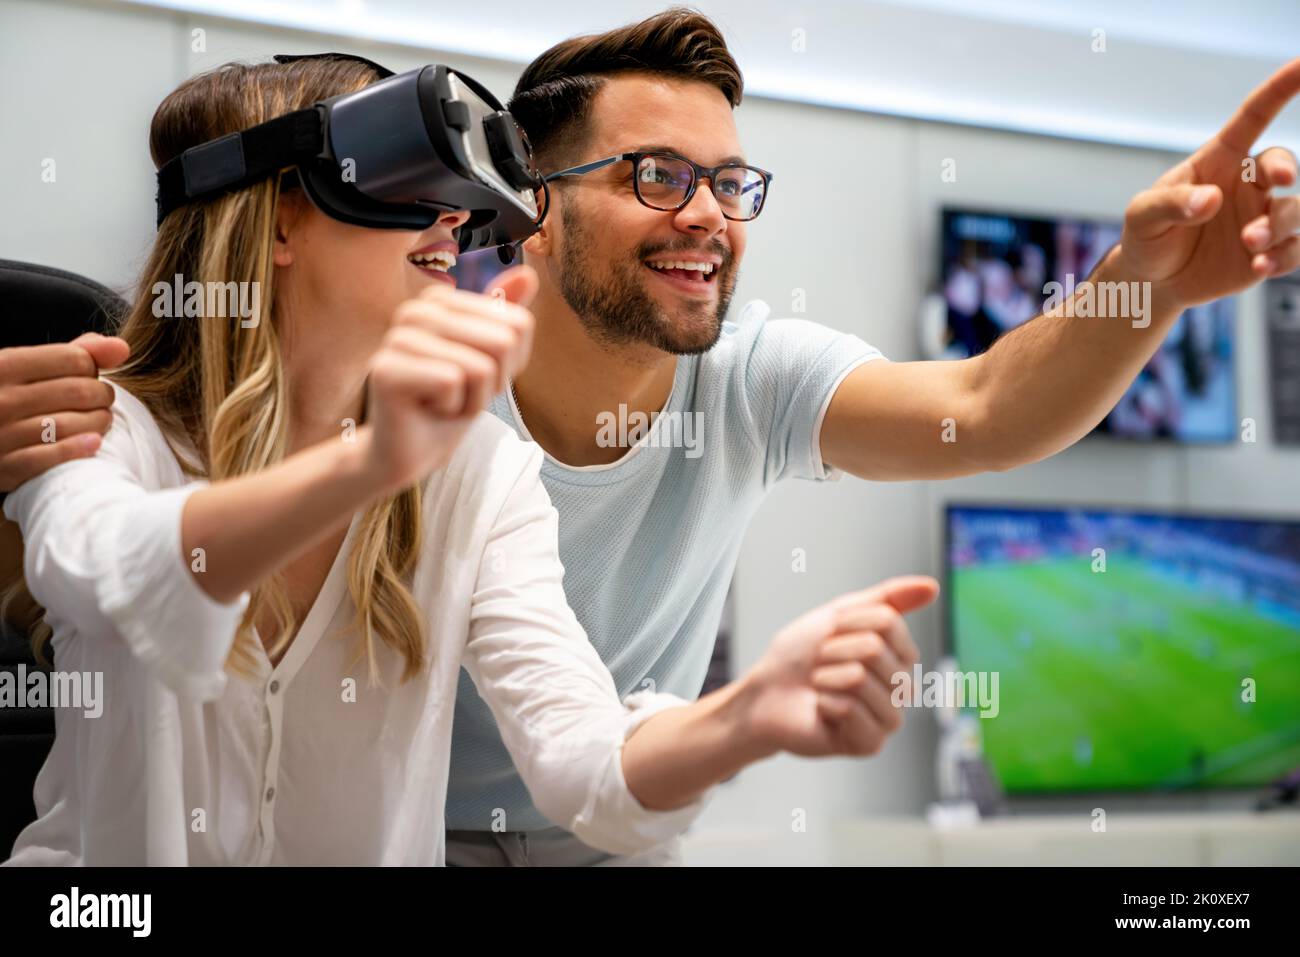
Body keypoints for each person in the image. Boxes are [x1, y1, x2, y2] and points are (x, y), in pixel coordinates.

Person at [7, 9, 1298, 867]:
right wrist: (367, 457)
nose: (711, 218)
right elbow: (127, 568)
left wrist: (1148, 284)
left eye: (730, 183)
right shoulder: (165, 419)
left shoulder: (519, 452)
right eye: (657, 176)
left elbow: (987, 411)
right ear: (539, 212)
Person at [0, 54, 932, 866]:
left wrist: (747, 714)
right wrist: (367, 465)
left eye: (457, 203)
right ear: (282, 223)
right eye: (409, 192)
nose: (452, 228)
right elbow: (126, 579)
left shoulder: (474, 473)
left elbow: (581, 762)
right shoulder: (98, 423)